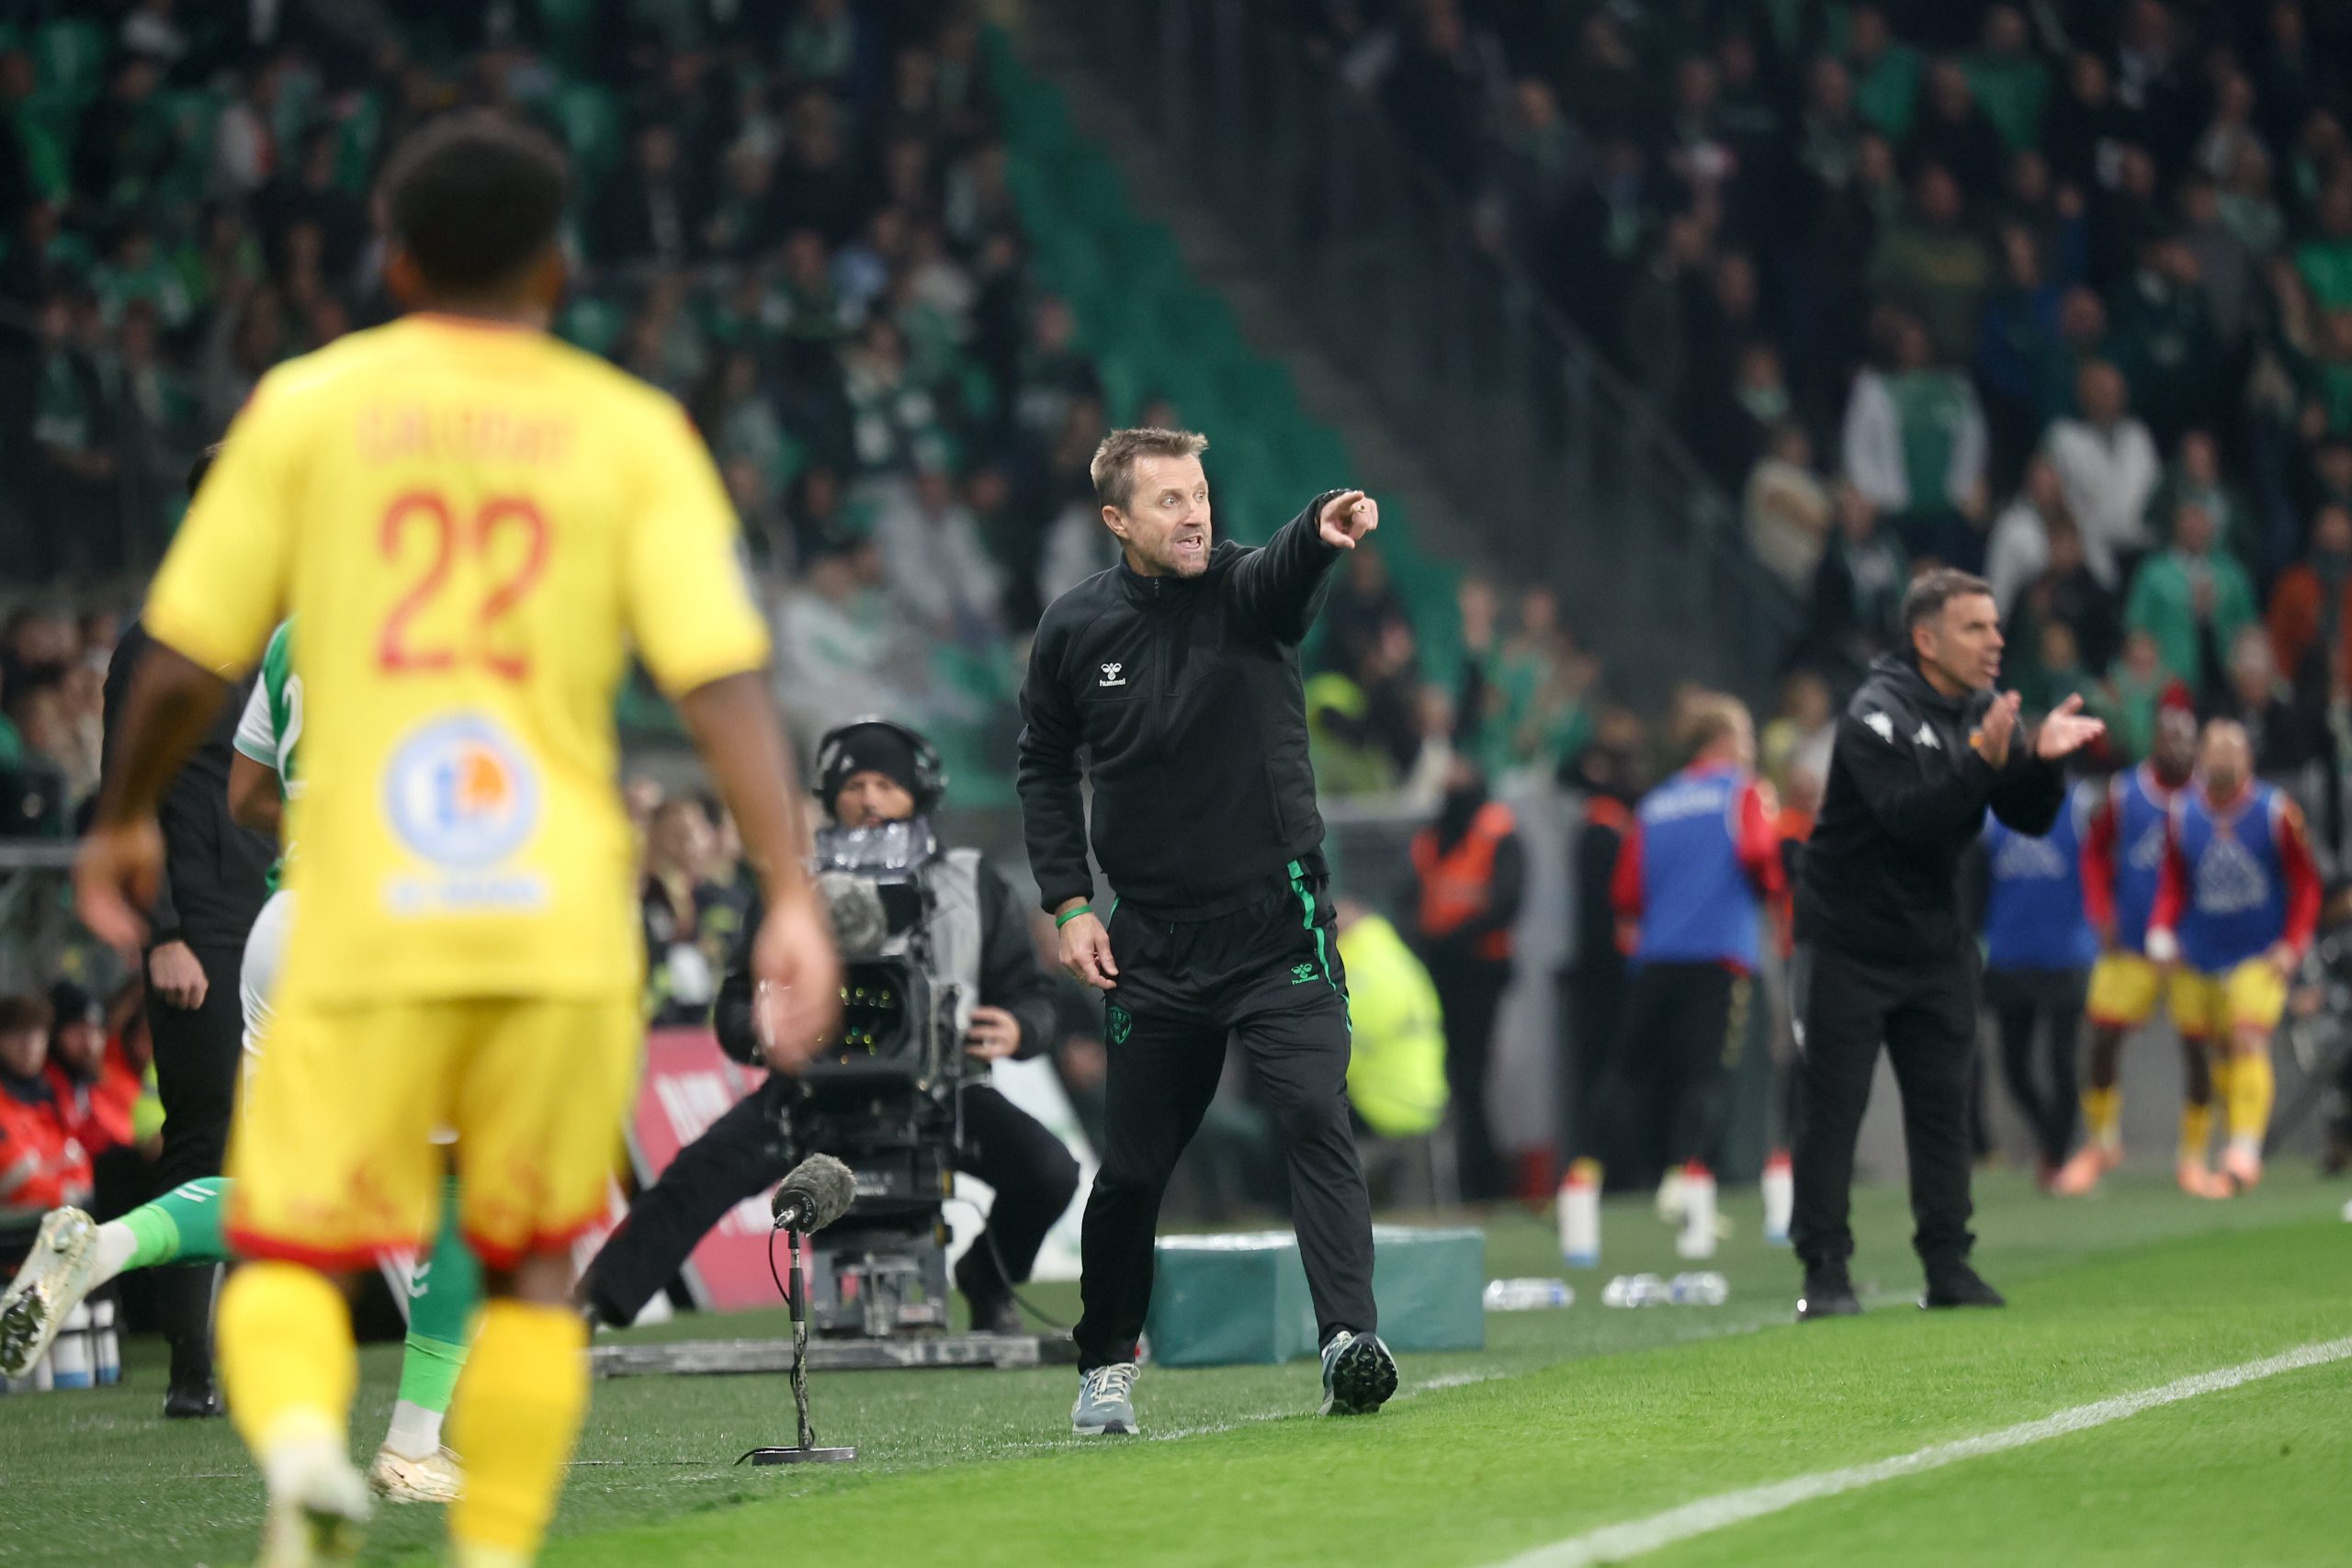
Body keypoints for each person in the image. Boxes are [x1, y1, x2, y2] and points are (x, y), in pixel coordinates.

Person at [72, 112, 840, 1568]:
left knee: (293, 1207)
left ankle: (307, 1449)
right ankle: (482, 1531)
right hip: (541, 908)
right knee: (527, 1241)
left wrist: (120, 818)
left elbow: (180, 651)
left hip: (350, 901)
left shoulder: (307, 407)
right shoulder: (626, 425)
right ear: (558, 269)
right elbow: (722, 675)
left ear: (396, 252)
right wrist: (784, 885)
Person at [1017, 426, 1395, 1437]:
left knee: (1313, 1111)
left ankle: (1348, 1341)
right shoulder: (1073, 629)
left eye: (1200, 495)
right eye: (1169, 502)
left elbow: (1282, 574)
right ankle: (1103, 1365)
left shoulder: (1246, 590)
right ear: (1117, 521)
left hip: (1279, 929)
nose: (1194, 515)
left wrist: (1315, 533)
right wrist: (1068, 902)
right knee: (1134, 1168)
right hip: (1158, 948)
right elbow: (1044, 767)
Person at [581, 717, 1079, 1337]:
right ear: (832, 794)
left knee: (1049, 1170)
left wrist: (1016, 1028)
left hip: (937, 1094)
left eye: (885, 784)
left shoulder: (972, 882)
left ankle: (989, 1279)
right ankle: (592, 1303)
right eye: (856, 784)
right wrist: (763, 1031)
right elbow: (737, 1004)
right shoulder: (789, 887)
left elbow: (1033, 997)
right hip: (808, 1094)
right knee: (692, 1178)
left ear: (918, 791)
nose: (869, 798)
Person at [1791, 570, 2105, 1321]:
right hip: (1849, 945)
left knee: (1944, 1109)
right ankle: (1826, 1271)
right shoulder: (1873, 714)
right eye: (1976, 627)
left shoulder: (1980, 710)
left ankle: (1948, 1265)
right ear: (1926, 638)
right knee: (1834, 1111)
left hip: (1935, 945)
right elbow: (1909, 815)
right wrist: (1987, 761)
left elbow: (2024, 816)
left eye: (1997, 626)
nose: (1997, 640)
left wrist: (2044, 763)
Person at [97, 451, 276, 1417]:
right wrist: (162, 932)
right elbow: (126, 800)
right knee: (204, 1135)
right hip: (199, 929)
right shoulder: (158, 644)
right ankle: (194, 1375)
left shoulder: (271, 643)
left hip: (275, 921)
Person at [1608, 694, 1783, 1207]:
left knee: (1633, 1069)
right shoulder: (1744, 792)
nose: (1750, 748)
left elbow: (1625, 892)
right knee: (1710, 1075)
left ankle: (1592, 1172)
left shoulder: (1657, 801)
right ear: (1724, 740)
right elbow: (1759, 856)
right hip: (1719, 954)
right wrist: (1775, 889)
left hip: (1657, 956)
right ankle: (1685, 1181)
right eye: (1746, 736)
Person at [2147, 719, 2321, 1194]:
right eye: (2215, 748)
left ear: (2248, 758)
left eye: (2233, 749)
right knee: (2211, 1052)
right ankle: (2214, 1147)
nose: (2223, 757)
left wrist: (2292, 944)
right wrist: (2161, 929)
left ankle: (2244, 1150)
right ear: (2201, 756)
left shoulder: (2275, 811)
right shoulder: (2182, 813)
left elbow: (2306, 883)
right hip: (2199, 952)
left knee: (2247, 1037)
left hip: (2259, 953)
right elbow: (2173, 880)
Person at [2056, 705, 2206, 1196]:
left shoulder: (2208, 800)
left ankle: (2194, 1155)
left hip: (2189, 948)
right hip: (2131, 942)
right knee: (2102, 1037)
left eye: (2187, 740)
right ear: (2155, 743)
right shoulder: (2125, 794)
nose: (2178, 748)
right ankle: (2102, 1142)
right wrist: (2101, 911)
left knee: (2196, 1046)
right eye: (2170, 739)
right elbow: (2095, 853)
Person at [1407, 759, 1523, 1201]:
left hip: (1481, 970)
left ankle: (1484, 1178)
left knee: (1474, 1078)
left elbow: (1508, 900)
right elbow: (1415, 897)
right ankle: (1468, 1178)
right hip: (1439, 970)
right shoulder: (1431, 837)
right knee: (1459, 1078)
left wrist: (1452, 937)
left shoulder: (1495, 830)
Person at [1977, 779, 2098, 1186]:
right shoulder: (1992, 809)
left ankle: (2060, 1160)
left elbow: (2105, 862)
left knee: (2062, 1062)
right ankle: (2055, 1141)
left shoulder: (2080, 806)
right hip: (2010, 953)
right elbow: (1975, 880)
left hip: (2068, 952)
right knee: (2014, 1069)